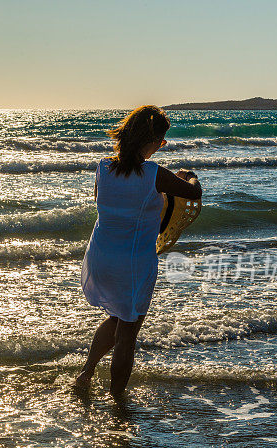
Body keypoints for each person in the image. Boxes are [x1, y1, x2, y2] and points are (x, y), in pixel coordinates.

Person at [73, 105, 202, 401]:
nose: (162, 146)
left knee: (118, 318)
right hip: (132, 263)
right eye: (162, 141)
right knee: (128, 334)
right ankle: (117, 401)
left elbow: (105, 201)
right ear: (151, 140)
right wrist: (190, 176)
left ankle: (86, 374)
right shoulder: (154, 174)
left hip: (101, 256)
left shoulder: (103, 167)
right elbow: (193, 193)